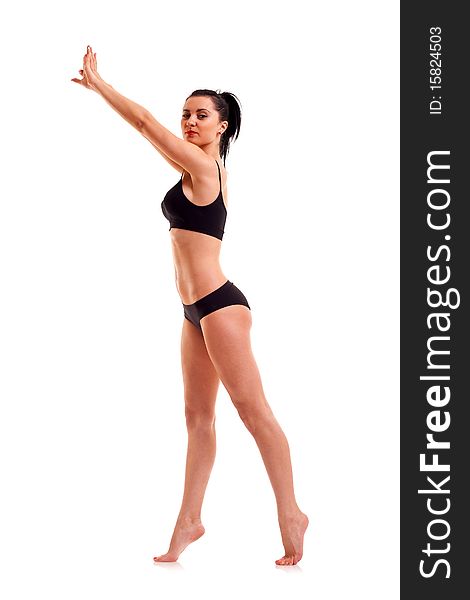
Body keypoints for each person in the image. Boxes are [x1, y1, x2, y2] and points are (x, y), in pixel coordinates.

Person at [72, 45, 309, 566]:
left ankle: (290, 512)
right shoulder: (194, 167)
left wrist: (100, 85)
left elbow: (142, 123)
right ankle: (189, 519)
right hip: (193, 311)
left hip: (221, 307)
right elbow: (155, 137)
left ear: (221, 127)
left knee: (253, 412)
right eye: (186, 113)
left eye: (202, 115)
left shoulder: (205, 168)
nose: (190, 121)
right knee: (197, 416)